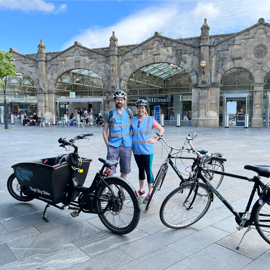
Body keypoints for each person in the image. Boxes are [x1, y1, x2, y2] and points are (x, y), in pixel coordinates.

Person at [132, 99, 164, 203]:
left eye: (142, 108)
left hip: (147, 150)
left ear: (145, 109)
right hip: (136, 150)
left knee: (148, 171)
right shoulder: (133, 120)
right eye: (139, 108)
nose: (140, 109)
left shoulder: (150, 119)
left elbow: (161, 129)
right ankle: (142, 190)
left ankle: (151, 192)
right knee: (140, 170)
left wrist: (155, 139)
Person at [103, 90, 133, 181]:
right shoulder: (109, 114)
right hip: (113, 145)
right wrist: (108, 144)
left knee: (125, 169)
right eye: (117, 99)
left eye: (121, 99)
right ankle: (110, 190)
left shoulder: (129, 112)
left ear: (124, 100)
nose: (119, 101)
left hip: (126, 145)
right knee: (110, 170)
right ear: (114, 100)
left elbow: (133, 127)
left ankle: (121, 190)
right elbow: (104, 131)